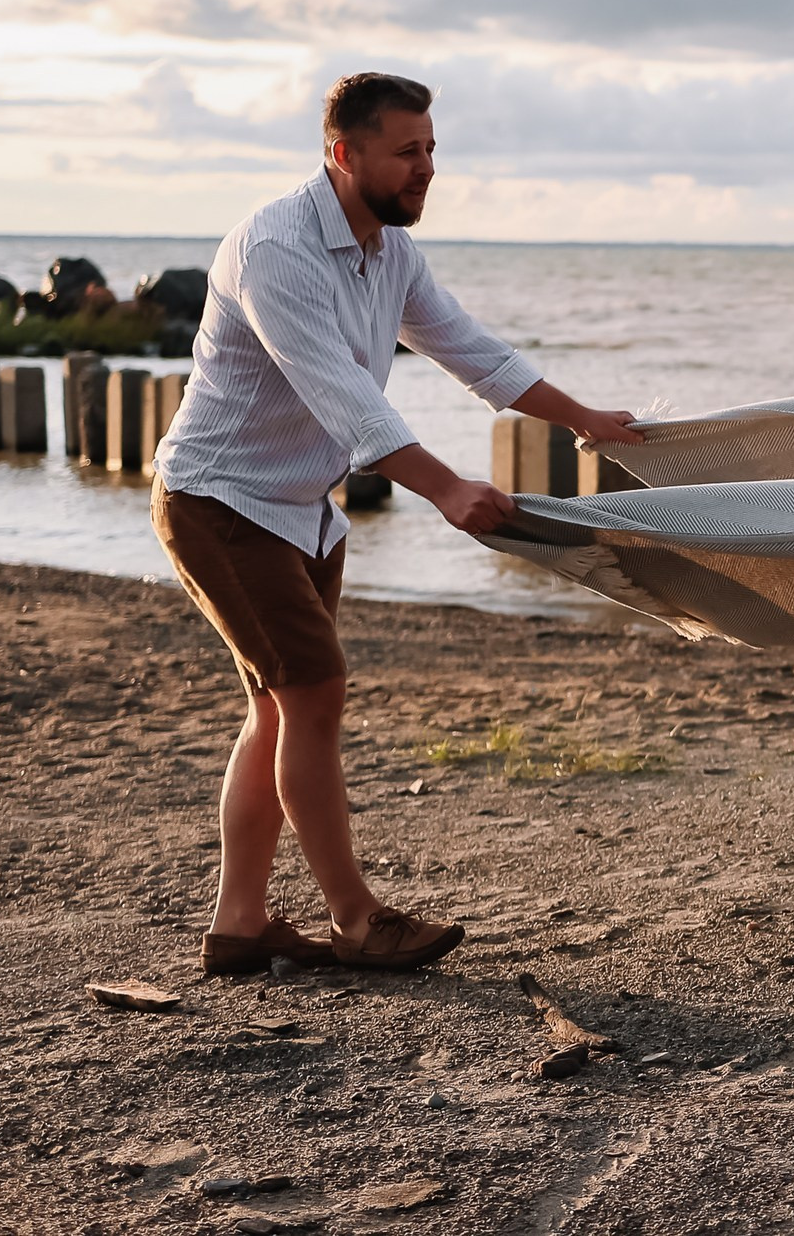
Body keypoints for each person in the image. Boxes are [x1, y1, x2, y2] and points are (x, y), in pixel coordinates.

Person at [152, 71, 645, 976]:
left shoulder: (391, 252)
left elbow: (471, 351)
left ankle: (241, 923)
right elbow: (348, 402)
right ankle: (354, 919)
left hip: (301, 509)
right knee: (311, 694)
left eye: (430, 151)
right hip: (221, 500)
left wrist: (583, 419)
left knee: (278, 708)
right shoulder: (275, 249)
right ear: (344, 154)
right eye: (406, 152)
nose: (425, 169)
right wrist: (446, 488)